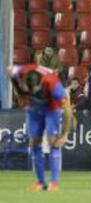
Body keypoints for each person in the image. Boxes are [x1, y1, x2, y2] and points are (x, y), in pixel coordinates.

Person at [7, 64, 72, 192]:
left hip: (51, 109)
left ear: (41, 83)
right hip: (34, 109)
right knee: (34, 142)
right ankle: (41, 182)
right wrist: (20, 92)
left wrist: (64, 135)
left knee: (53, 141)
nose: (33, 92)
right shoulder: (20, 73)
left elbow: (68, 111)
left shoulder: (55, 87)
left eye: (35, 90)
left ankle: (54, 183)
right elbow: (9, 70)